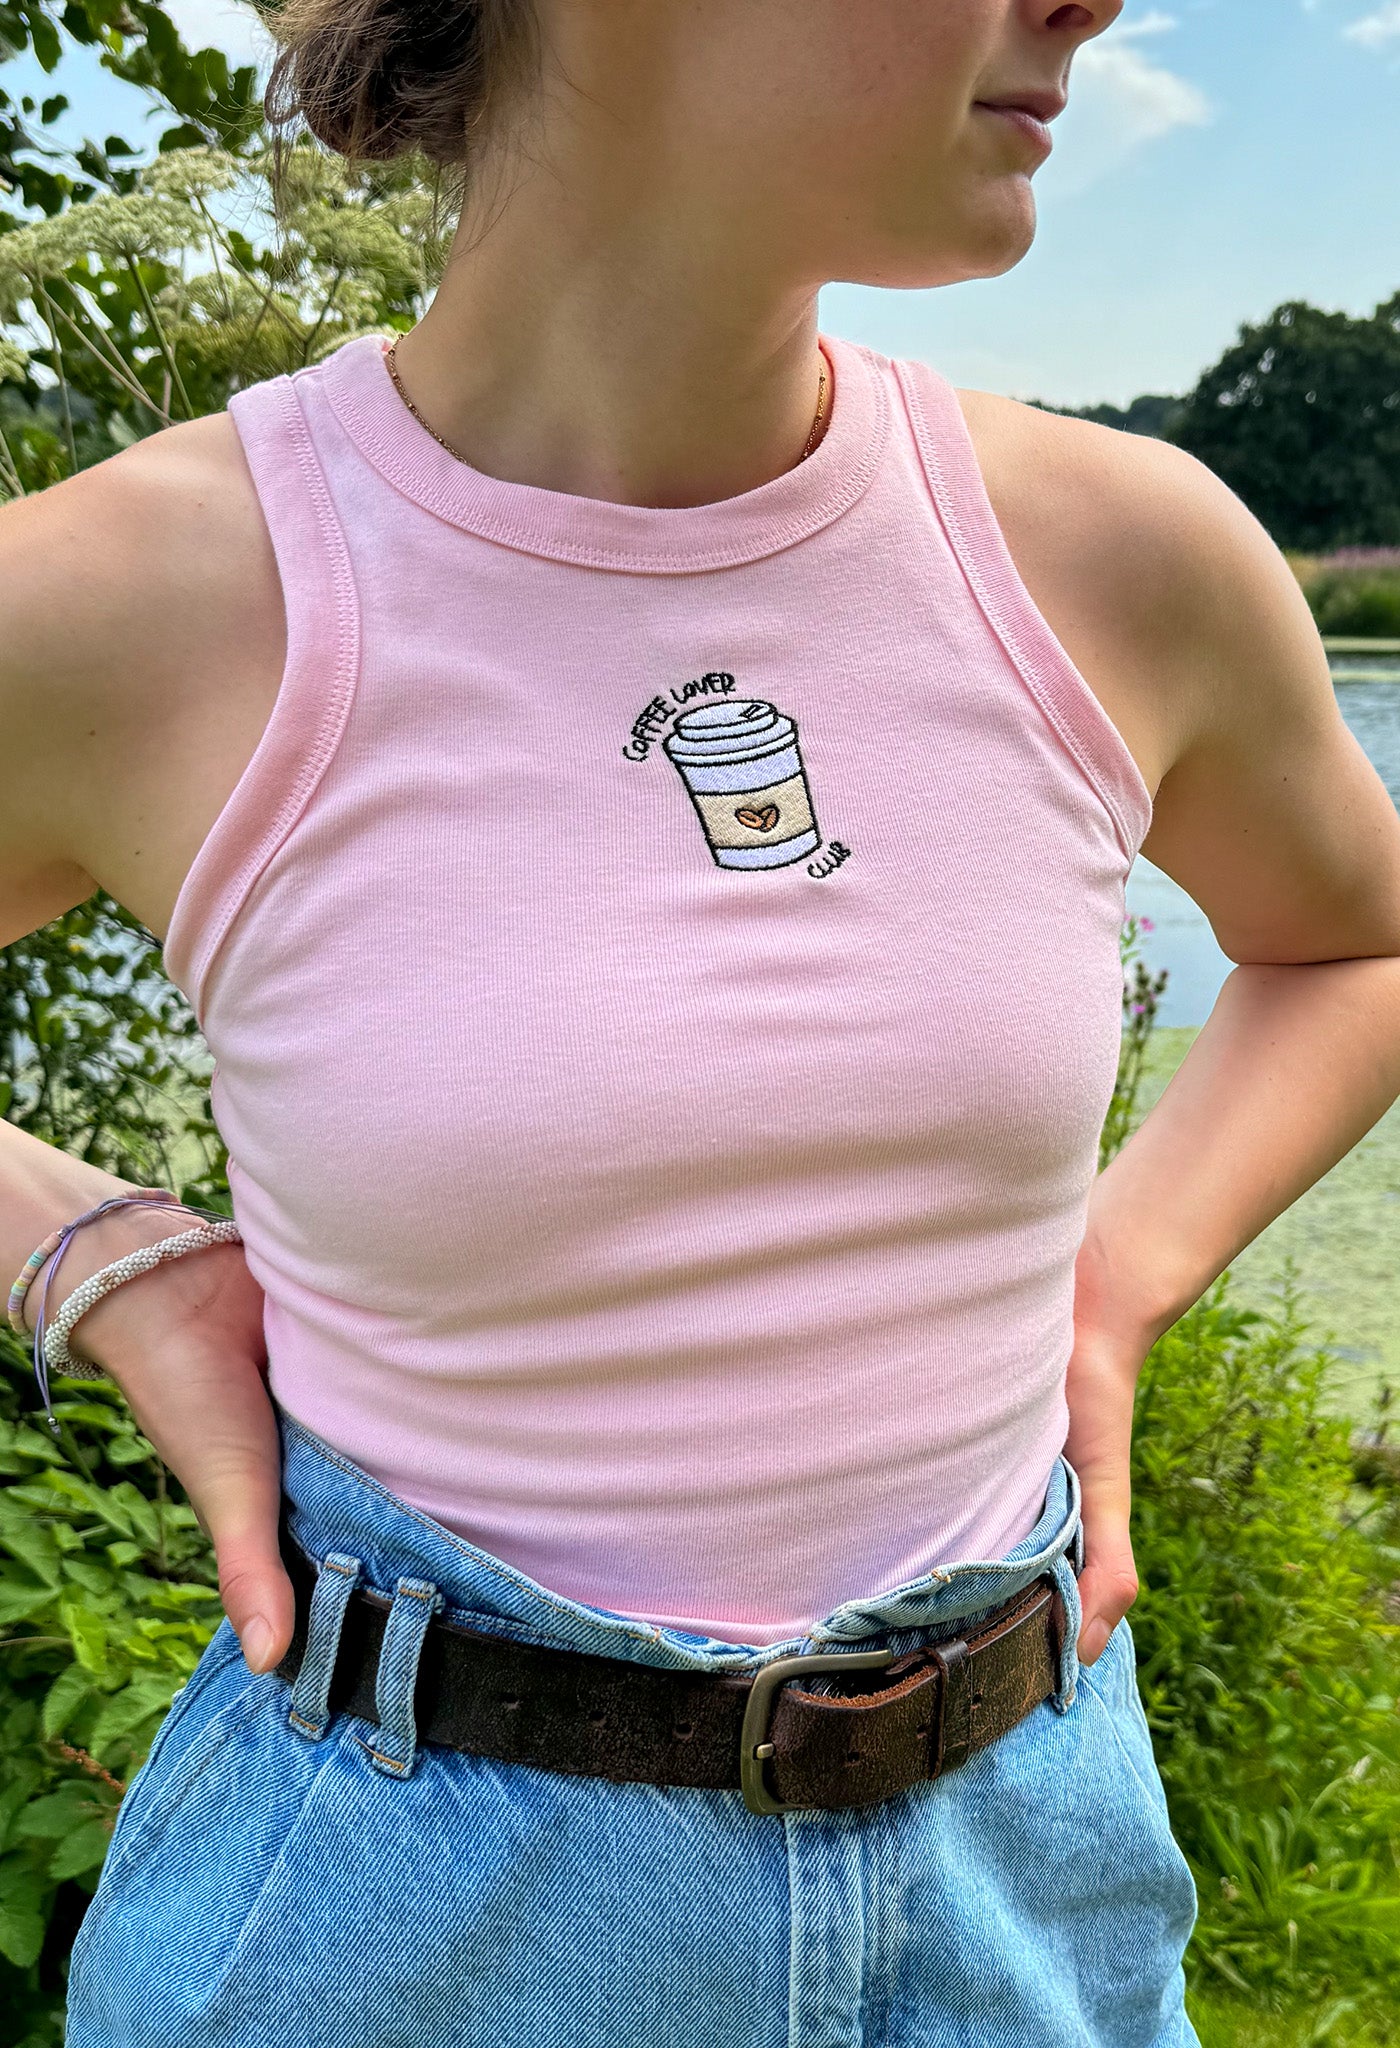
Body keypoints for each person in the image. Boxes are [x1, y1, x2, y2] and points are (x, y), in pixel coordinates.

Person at [4, 0, 1399, 2041]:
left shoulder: (1123, 555)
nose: (1092, 2)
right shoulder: (142, 601)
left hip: (1026, 1887)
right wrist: (93, 1255)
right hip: (397, 1936)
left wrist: (1113, 1280)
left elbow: (1351, 943)